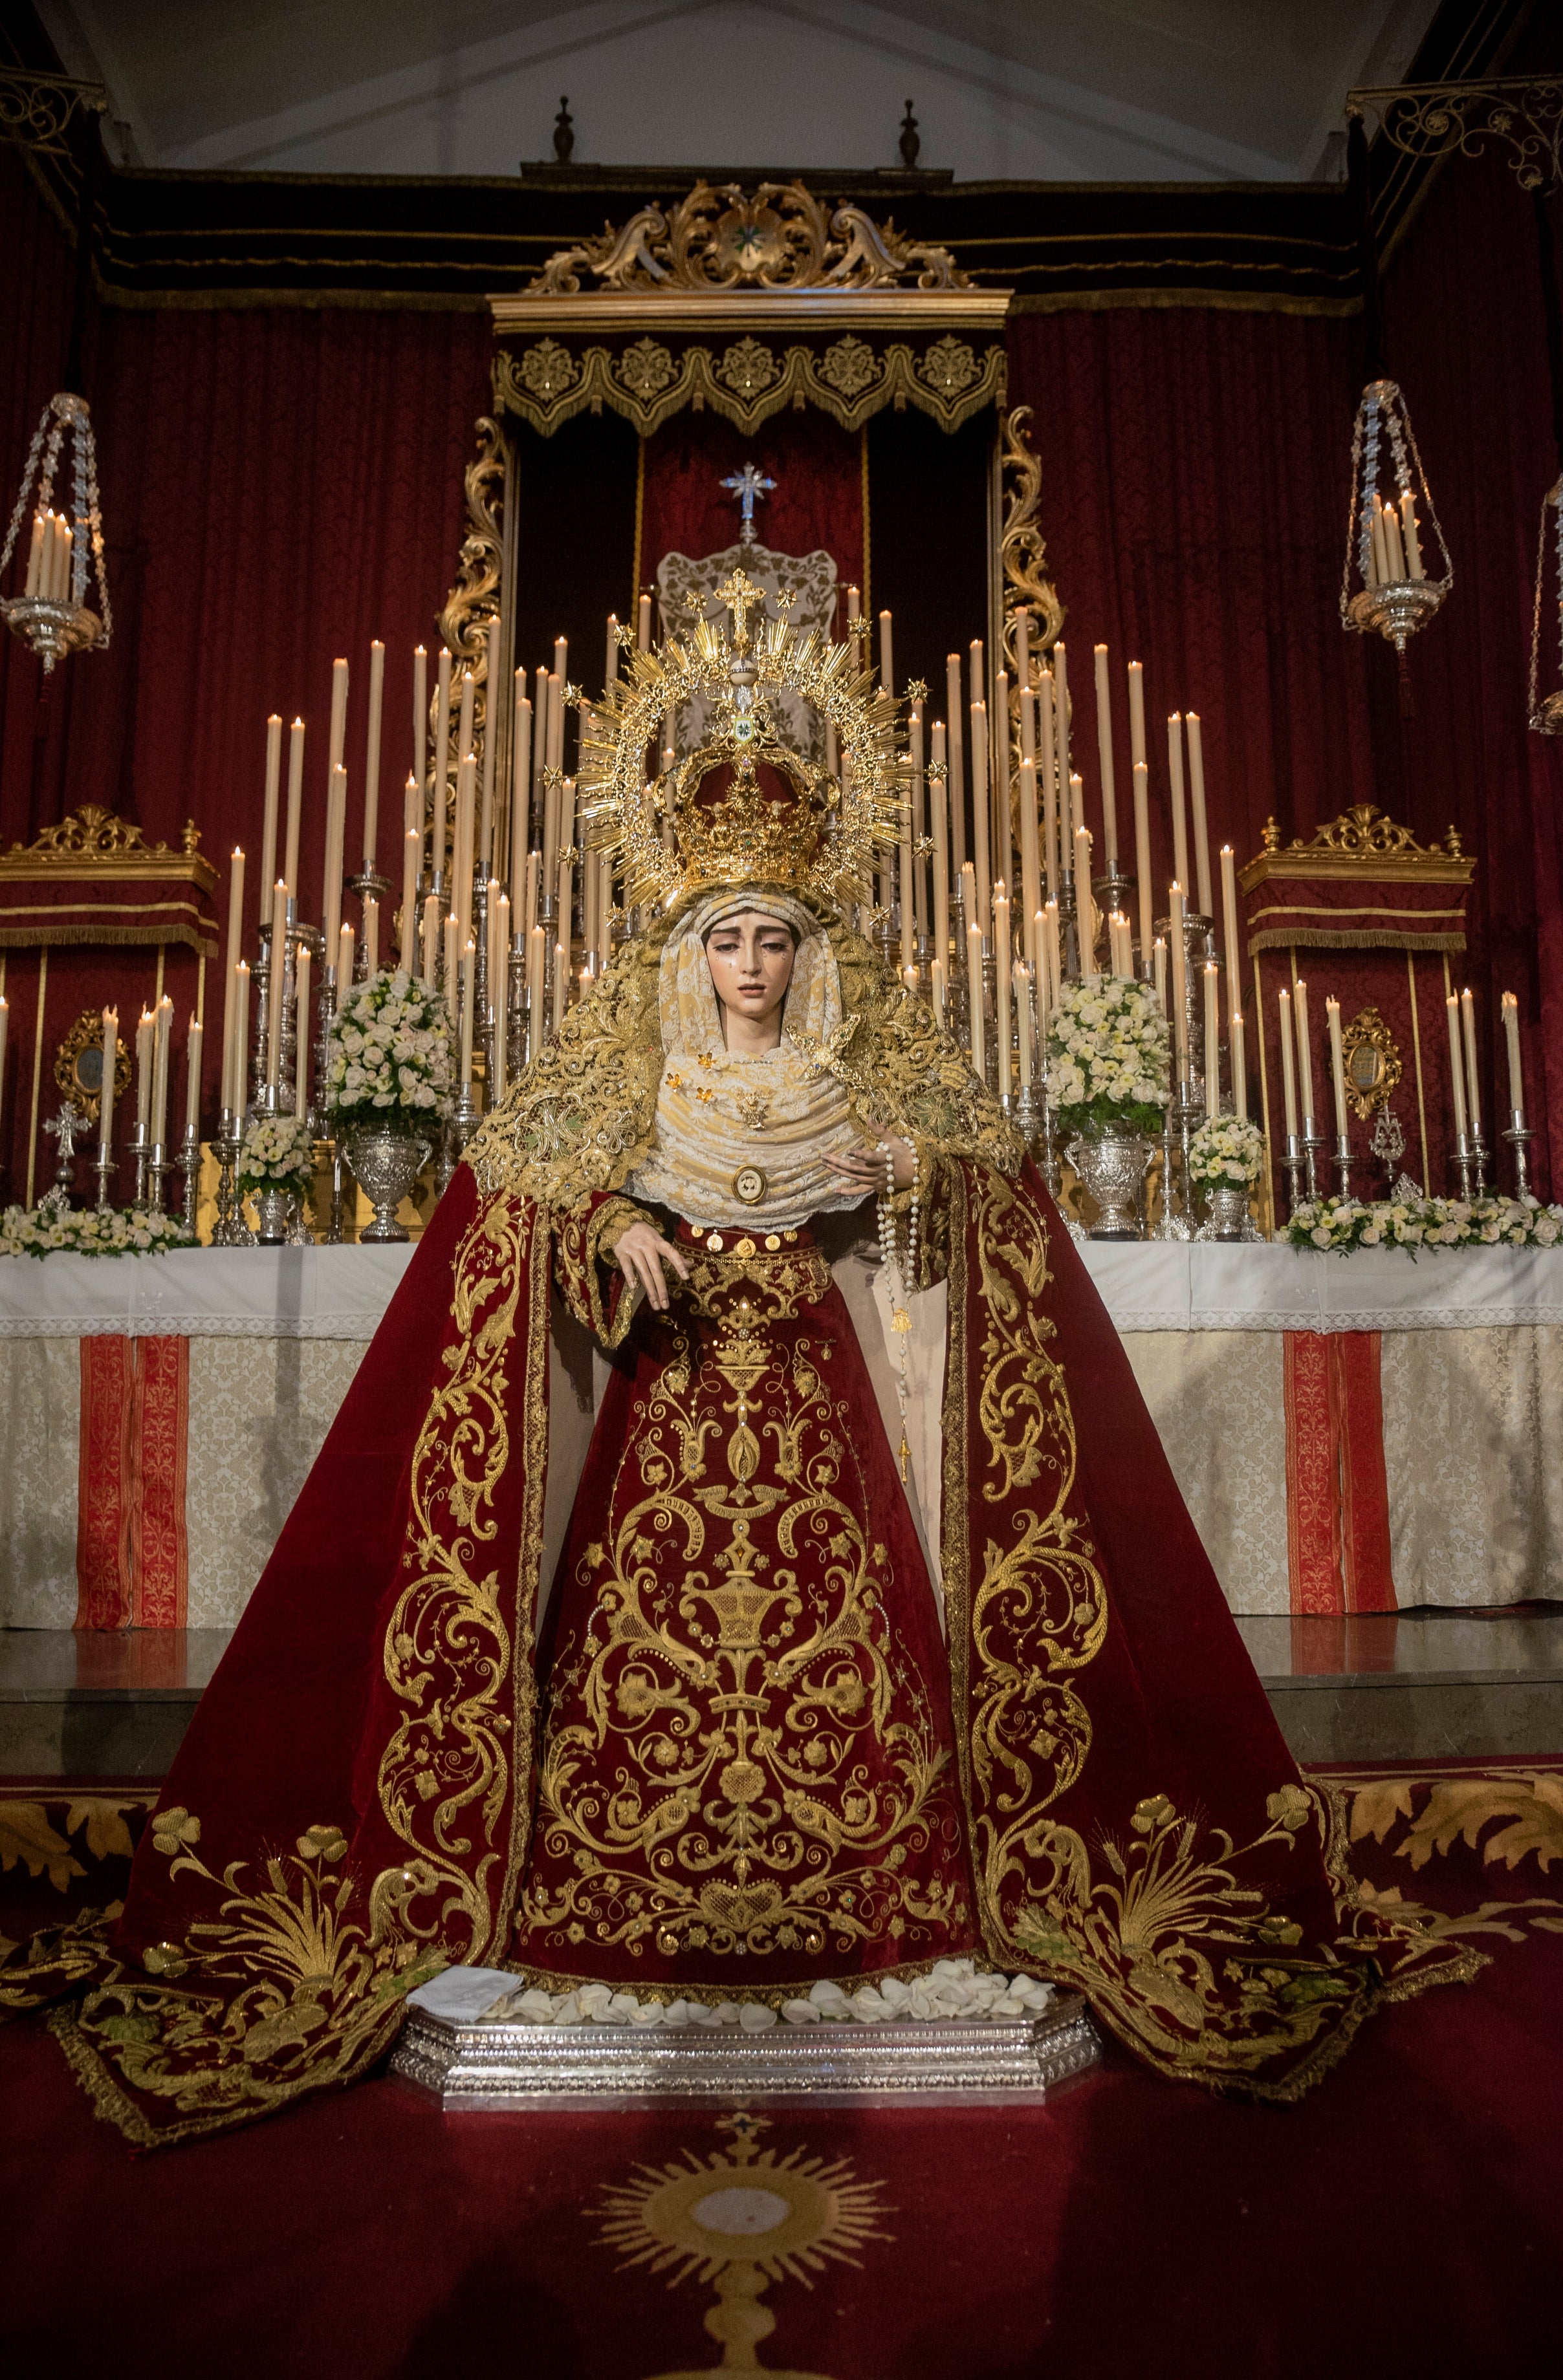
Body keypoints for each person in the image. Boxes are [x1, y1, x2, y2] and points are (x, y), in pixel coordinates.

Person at [2, 589, 1474, 2144]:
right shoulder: (624, 1063)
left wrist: (907, 1167)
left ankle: (880, 1895)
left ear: (807, 947)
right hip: (663, 1415)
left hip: (824, 1416)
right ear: (685, 945)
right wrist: (609, 1224)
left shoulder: (870, 1063)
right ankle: (600, 1884)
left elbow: (980, 1218)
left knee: (855, 1654)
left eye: (775, 936)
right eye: (728, 937)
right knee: (625, 1662)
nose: (753, 963)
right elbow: (521, 1203)